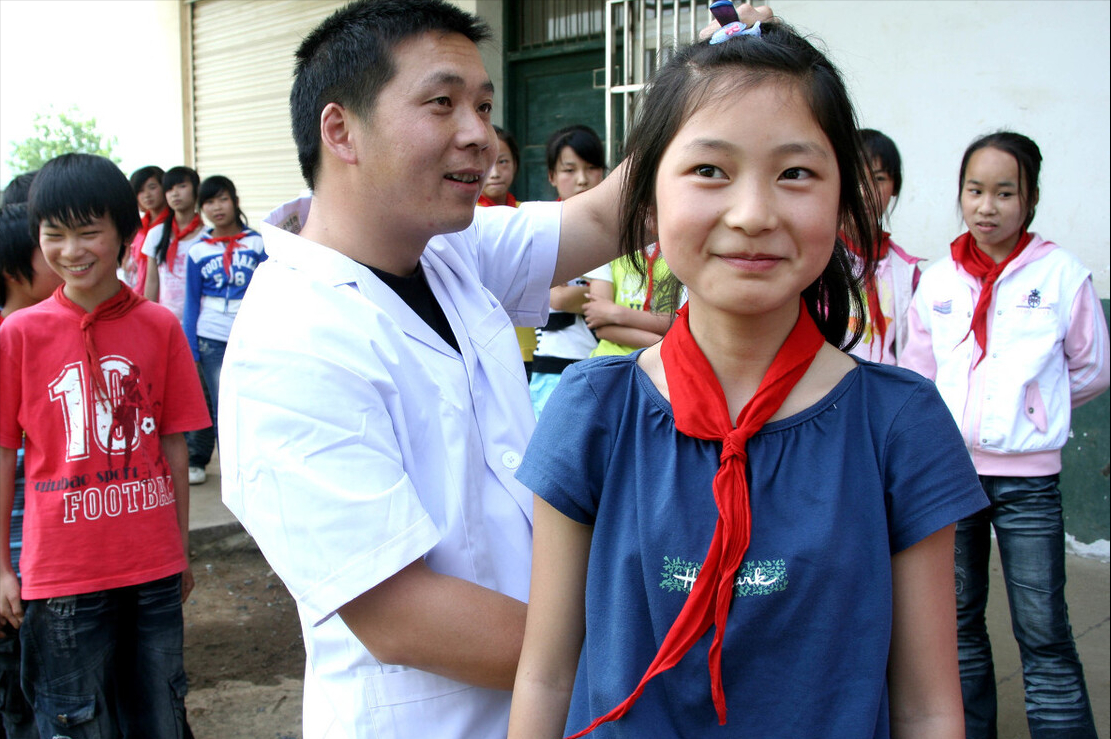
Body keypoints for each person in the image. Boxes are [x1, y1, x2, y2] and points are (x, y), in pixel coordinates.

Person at [219, 2, 778, 737]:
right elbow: (399, 612)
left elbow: (613, 215)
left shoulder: (451, 251)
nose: (479, 134)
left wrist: (709, 81)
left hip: (552, 700)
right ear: (339, 129)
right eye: (442, 102)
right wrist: (650, 654)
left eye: (483, 106)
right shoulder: (290, 337)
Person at [508, 21, 988, 739]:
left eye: (795, 172)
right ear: (647, 199)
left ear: (842, 199)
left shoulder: (899, 425)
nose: (754, 213)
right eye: (709, 170)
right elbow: (546, 674)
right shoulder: (592, 411)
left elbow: (925, 704)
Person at [901, 132, 1108, 739]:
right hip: (952, 477)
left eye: (1004, 192)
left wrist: (1036, 411)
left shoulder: (1064, 275)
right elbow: (920, 374)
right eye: (974, 190)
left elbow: (1090, 367)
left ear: (1031, 198)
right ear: (960, 196)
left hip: (1029, 481)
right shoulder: (937, 281)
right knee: (957, 624)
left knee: (1043, 628)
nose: (987, 206)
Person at [0, 153, 209, 738]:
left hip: (152, 567)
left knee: (159, 713)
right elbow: (3, 454)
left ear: (123, 231)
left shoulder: (159, 328)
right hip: (59, 573)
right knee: (73, 719)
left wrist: (180, 546)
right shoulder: (18, 334)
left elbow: (173, 444)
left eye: (88, 231)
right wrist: (1, 566)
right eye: (54, 235)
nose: (71, 250)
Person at [0, 200, 61, 739]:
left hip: (50, 574)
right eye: (47, 245)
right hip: (14, 581)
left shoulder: (50, 335)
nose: (63, 256)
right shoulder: (12, 343)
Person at [183, 174, 264, 484]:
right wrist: (190, 346)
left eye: (222, 199)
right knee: (222, 403)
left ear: (235, 201)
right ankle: (233, 469)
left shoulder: (257, 243)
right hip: (212, 338)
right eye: (209, 202)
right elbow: (192, 301)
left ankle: (255, 461)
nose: (216, 207)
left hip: (252, 334)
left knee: (255, 397)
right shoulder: (197, 250)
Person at [528, 124, 605, 416]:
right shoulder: (539, 225)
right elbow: (555, 300)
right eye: (569, 170)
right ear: (551, 176)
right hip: (552, 368)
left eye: (592, 167)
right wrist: (601, 295)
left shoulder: (621, 233)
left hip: (606, 367)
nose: (583, 180)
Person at [846, 129, 923, 365]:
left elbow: (914, 355)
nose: (865, 192)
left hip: (884, 396)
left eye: (879, 179)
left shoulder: (907, 272)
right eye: (856, 177)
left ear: (895, 187)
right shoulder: (819, 260)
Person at [478, 125, 537, 377]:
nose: (495, 172)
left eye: (502, 161)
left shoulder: (529, 213)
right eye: (487, 162)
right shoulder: (468, 219)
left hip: (530, 340)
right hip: (485, 340)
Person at [582, 241, 673, 356]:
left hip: (662, 363)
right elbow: (601, 328)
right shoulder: (608, 249)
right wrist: (667, 343)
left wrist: (617, 313)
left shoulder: (680, 252)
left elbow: (682, 323)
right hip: (610, 360)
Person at [126, 165, 169, 293]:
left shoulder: (172, 227)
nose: (147, 195)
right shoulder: (138, 228)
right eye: (140, 190)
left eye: (152, 187)